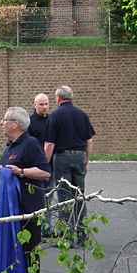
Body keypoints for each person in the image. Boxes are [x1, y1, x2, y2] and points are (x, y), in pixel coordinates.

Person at [0, 107, 50, 273]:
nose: (1, 123)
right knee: (14, 250)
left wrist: (22, 172)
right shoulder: (11, 146)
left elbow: (44, 172)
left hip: (29, 208)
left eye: (4, 120)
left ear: (15, 124)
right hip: (11, 211)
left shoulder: (30, 144)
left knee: (29, 251)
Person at [44, 86, 96, 246]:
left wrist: (45, 163)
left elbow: (50, 144)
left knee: (64, 197)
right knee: (79, 195)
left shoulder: (55, 116)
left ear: (58, 98)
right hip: (80, 156)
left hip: (62, 158)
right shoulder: (82, 115)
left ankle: (66, 237)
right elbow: (89, 140)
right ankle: (82, 234)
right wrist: (86, 159)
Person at [28, 93, 53, 235]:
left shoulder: (52, 120)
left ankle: (47, 228)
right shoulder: (30, 122)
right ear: (35, 105)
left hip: (50, 166)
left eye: (46, 104)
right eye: (41, 104)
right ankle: (36, 227)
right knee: (37, 198)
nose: (44, 107)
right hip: (35, 166)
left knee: (49, 196)